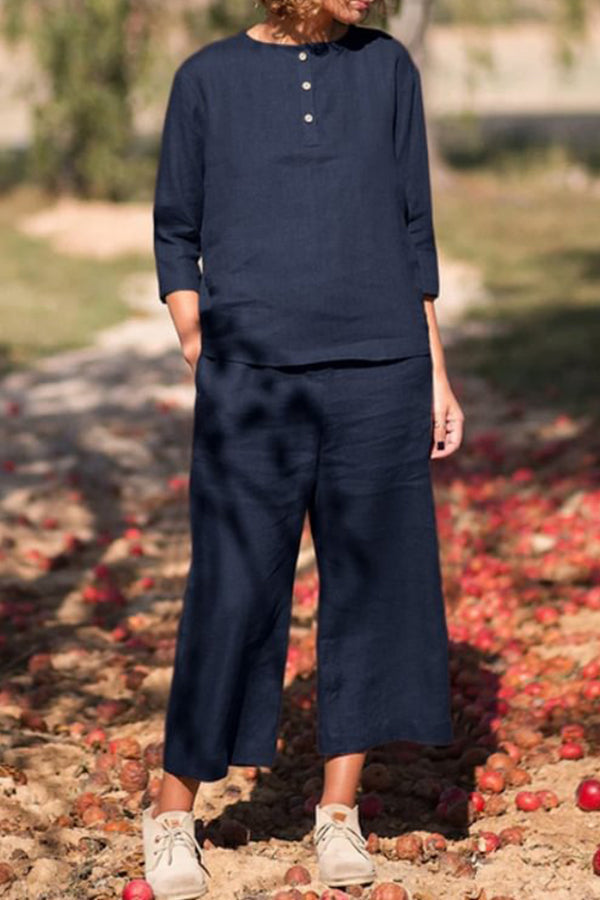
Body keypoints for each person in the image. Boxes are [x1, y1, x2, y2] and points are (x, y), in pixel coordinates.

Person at [143, 0, 465, 897]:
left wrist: (435, 372)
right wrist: (198, 342)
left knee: (370, 589)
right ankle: (171, 813)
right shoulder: (208, 78)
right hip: (252, 381)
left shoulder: (387, 67)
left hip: (382, 369)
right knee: (232, 588)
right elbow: (176, 228)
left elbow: (414, 229)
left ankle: (338, 812)